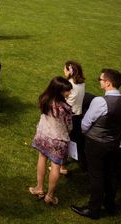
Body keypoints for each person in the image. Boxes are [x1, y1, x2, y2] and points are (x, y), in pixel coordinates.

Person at [70, 68, 121, 219]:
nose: (99, 81)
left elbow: (85, 124)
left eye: (100, 79)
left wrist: (88, 134)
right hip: (114, 143)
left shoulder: (100, 101)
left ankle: (94, 209)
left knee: (96, 176)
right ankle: (110, 204)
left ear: (108, 83)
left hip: (96, 143)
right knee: (110, 173)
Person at [29, 76, 73, 206]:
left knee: (42, 158)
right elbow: (69, 126)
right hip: (58, 140)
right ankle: (50, 196)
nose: (69, 93)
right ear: (59, 91)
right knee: (56, 166)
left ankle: (39, 188)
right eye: (67, 91)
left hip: (43, 136)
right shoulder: (65, 108)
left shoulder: (44, 100)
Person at [62, 60, 86, 175]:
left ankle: (61, 166)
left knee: (64, 140)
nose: (63, 71)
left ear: (70, 71)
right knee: (71, 139)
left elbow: (64, 101)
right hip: (78, 116)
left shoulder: (69, 85)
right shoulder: (81, 83)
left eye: (65, 69)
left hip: (68, 116)